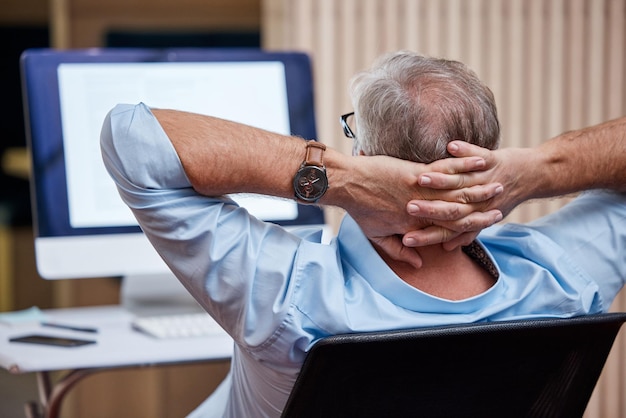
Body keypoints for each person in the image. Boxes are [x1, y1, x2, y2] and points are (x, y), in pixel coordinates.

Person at [100, 51, 626, 417]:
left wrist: (344, 183)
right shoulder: (562, 282)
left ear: (368, 159)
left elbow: (132, 138)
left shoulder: (289, 297)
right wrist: (541, 168)